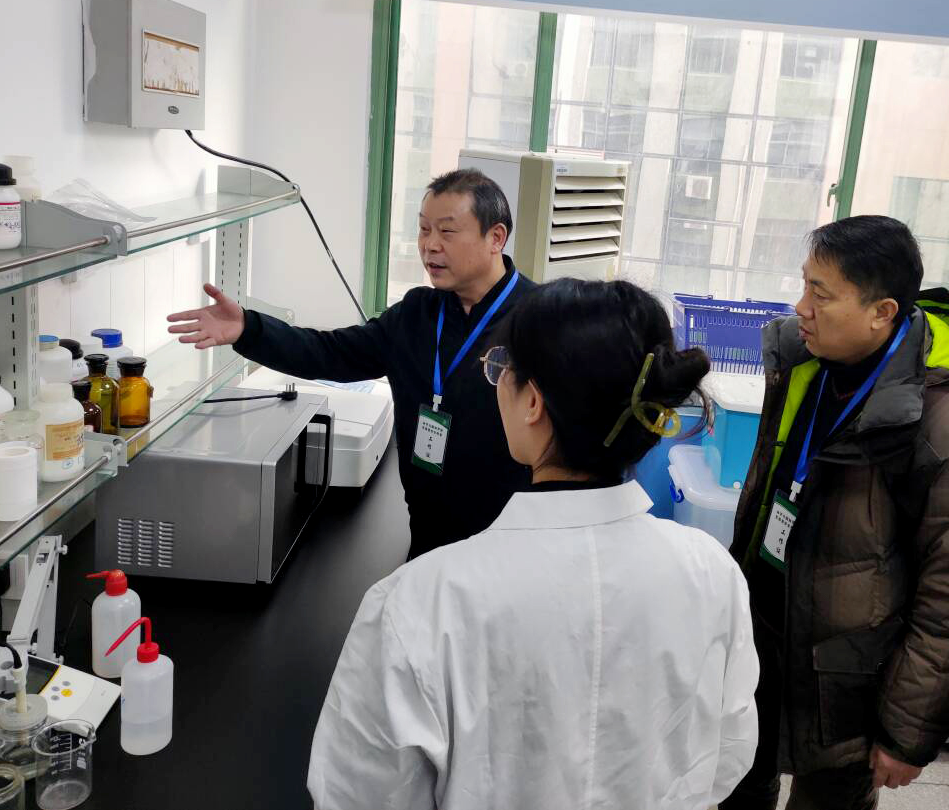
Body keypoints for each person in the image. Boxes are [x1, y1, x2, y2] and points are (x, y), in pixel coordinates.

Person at [307, 278, 759, 810]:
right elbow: (729, 753)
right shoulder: (712, 574)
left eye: (502, 367)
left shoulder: (421, 602)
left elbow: (358, 794)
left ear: (533, 402)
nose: (497, 380)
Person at [722, 216, 949, 810]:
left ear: (882, 312)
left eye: (821, 294)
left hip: (850, 677)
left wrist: (907, 732)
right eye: (804, 285)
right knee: (738, 780)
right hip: (764, 637)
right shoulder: (807, 364)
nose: (801, 307)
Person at [166, 169, 535, 559]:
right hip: (427, 538)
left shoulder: (540, 321)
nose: (430, 246)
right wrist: (249, 329)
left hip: (510, 547)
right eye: (424, 230)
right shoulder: (416, 314)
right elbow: (331, 352)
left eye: (447, 232)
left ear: (496, 238)